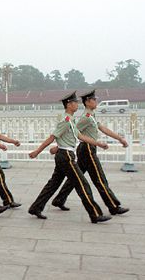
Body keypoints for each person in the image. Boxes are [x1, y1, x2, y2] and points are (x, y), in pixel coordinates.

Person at [28, 91, 112, 224]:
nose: (77, 104)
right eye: (75, 102)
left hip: (64, 155)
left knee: (53, 184)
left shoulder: (71, 120)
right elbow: (52, 137)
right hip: (66, 156)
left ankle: (35, 207)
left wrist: (99, 144)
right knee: (83, 185)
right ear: (68, 104)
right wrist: (37, 151)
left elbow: (80, 136)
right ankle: (95, 214)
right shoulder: (65, 120)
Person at [51, 90, 129, 215]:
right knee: (99, 179)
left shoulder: (91, 115)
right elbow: (72, 132)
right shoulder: (85, 118)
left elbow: (103, 128)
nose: (96, 102)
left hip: (86, 149)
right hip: (87, 149)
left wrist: (119, 138)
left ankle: (59, 199)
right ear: (87, 102)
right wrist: (58, 146)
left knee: (75, 178)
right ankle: (113, 206)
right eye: (94, 100)